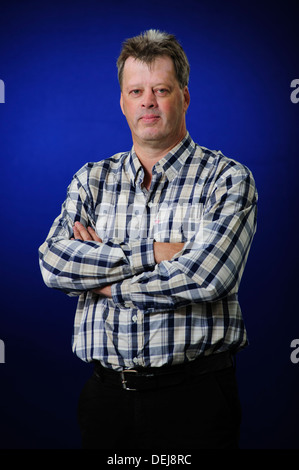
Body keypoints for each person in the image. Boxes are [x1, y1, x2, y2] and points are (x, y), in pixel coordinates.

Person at [39, 29, 257, 450]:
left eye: (161, 89)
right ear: (123, 102)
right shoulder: (92, 179)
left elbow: (206, 278)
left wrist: (104, 281)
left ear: (185, 97)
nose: (148, 101)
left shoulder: (227, 179)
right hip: (106, 400)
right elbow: (53, 263)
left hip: (195, 399)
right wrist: (155, 253)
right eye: (136, 90)